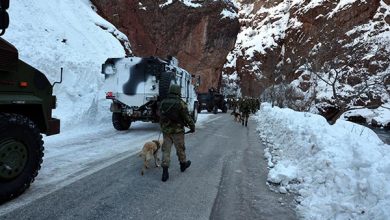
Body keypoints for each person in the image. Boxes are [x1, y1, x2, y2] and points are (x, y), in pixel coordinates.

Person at [159, 84, 195, 182]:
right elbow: (187, 117)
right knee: (180, 149)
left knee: (166, 151)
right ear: (178, 92)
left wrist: (162, 126)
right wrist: (192, 127)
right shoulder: (181, 103)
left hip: (166, 132)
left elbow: (160, 116)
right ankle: (183, 165)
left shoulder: (163, 102)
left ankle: (165, 172)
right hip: (178, 131)